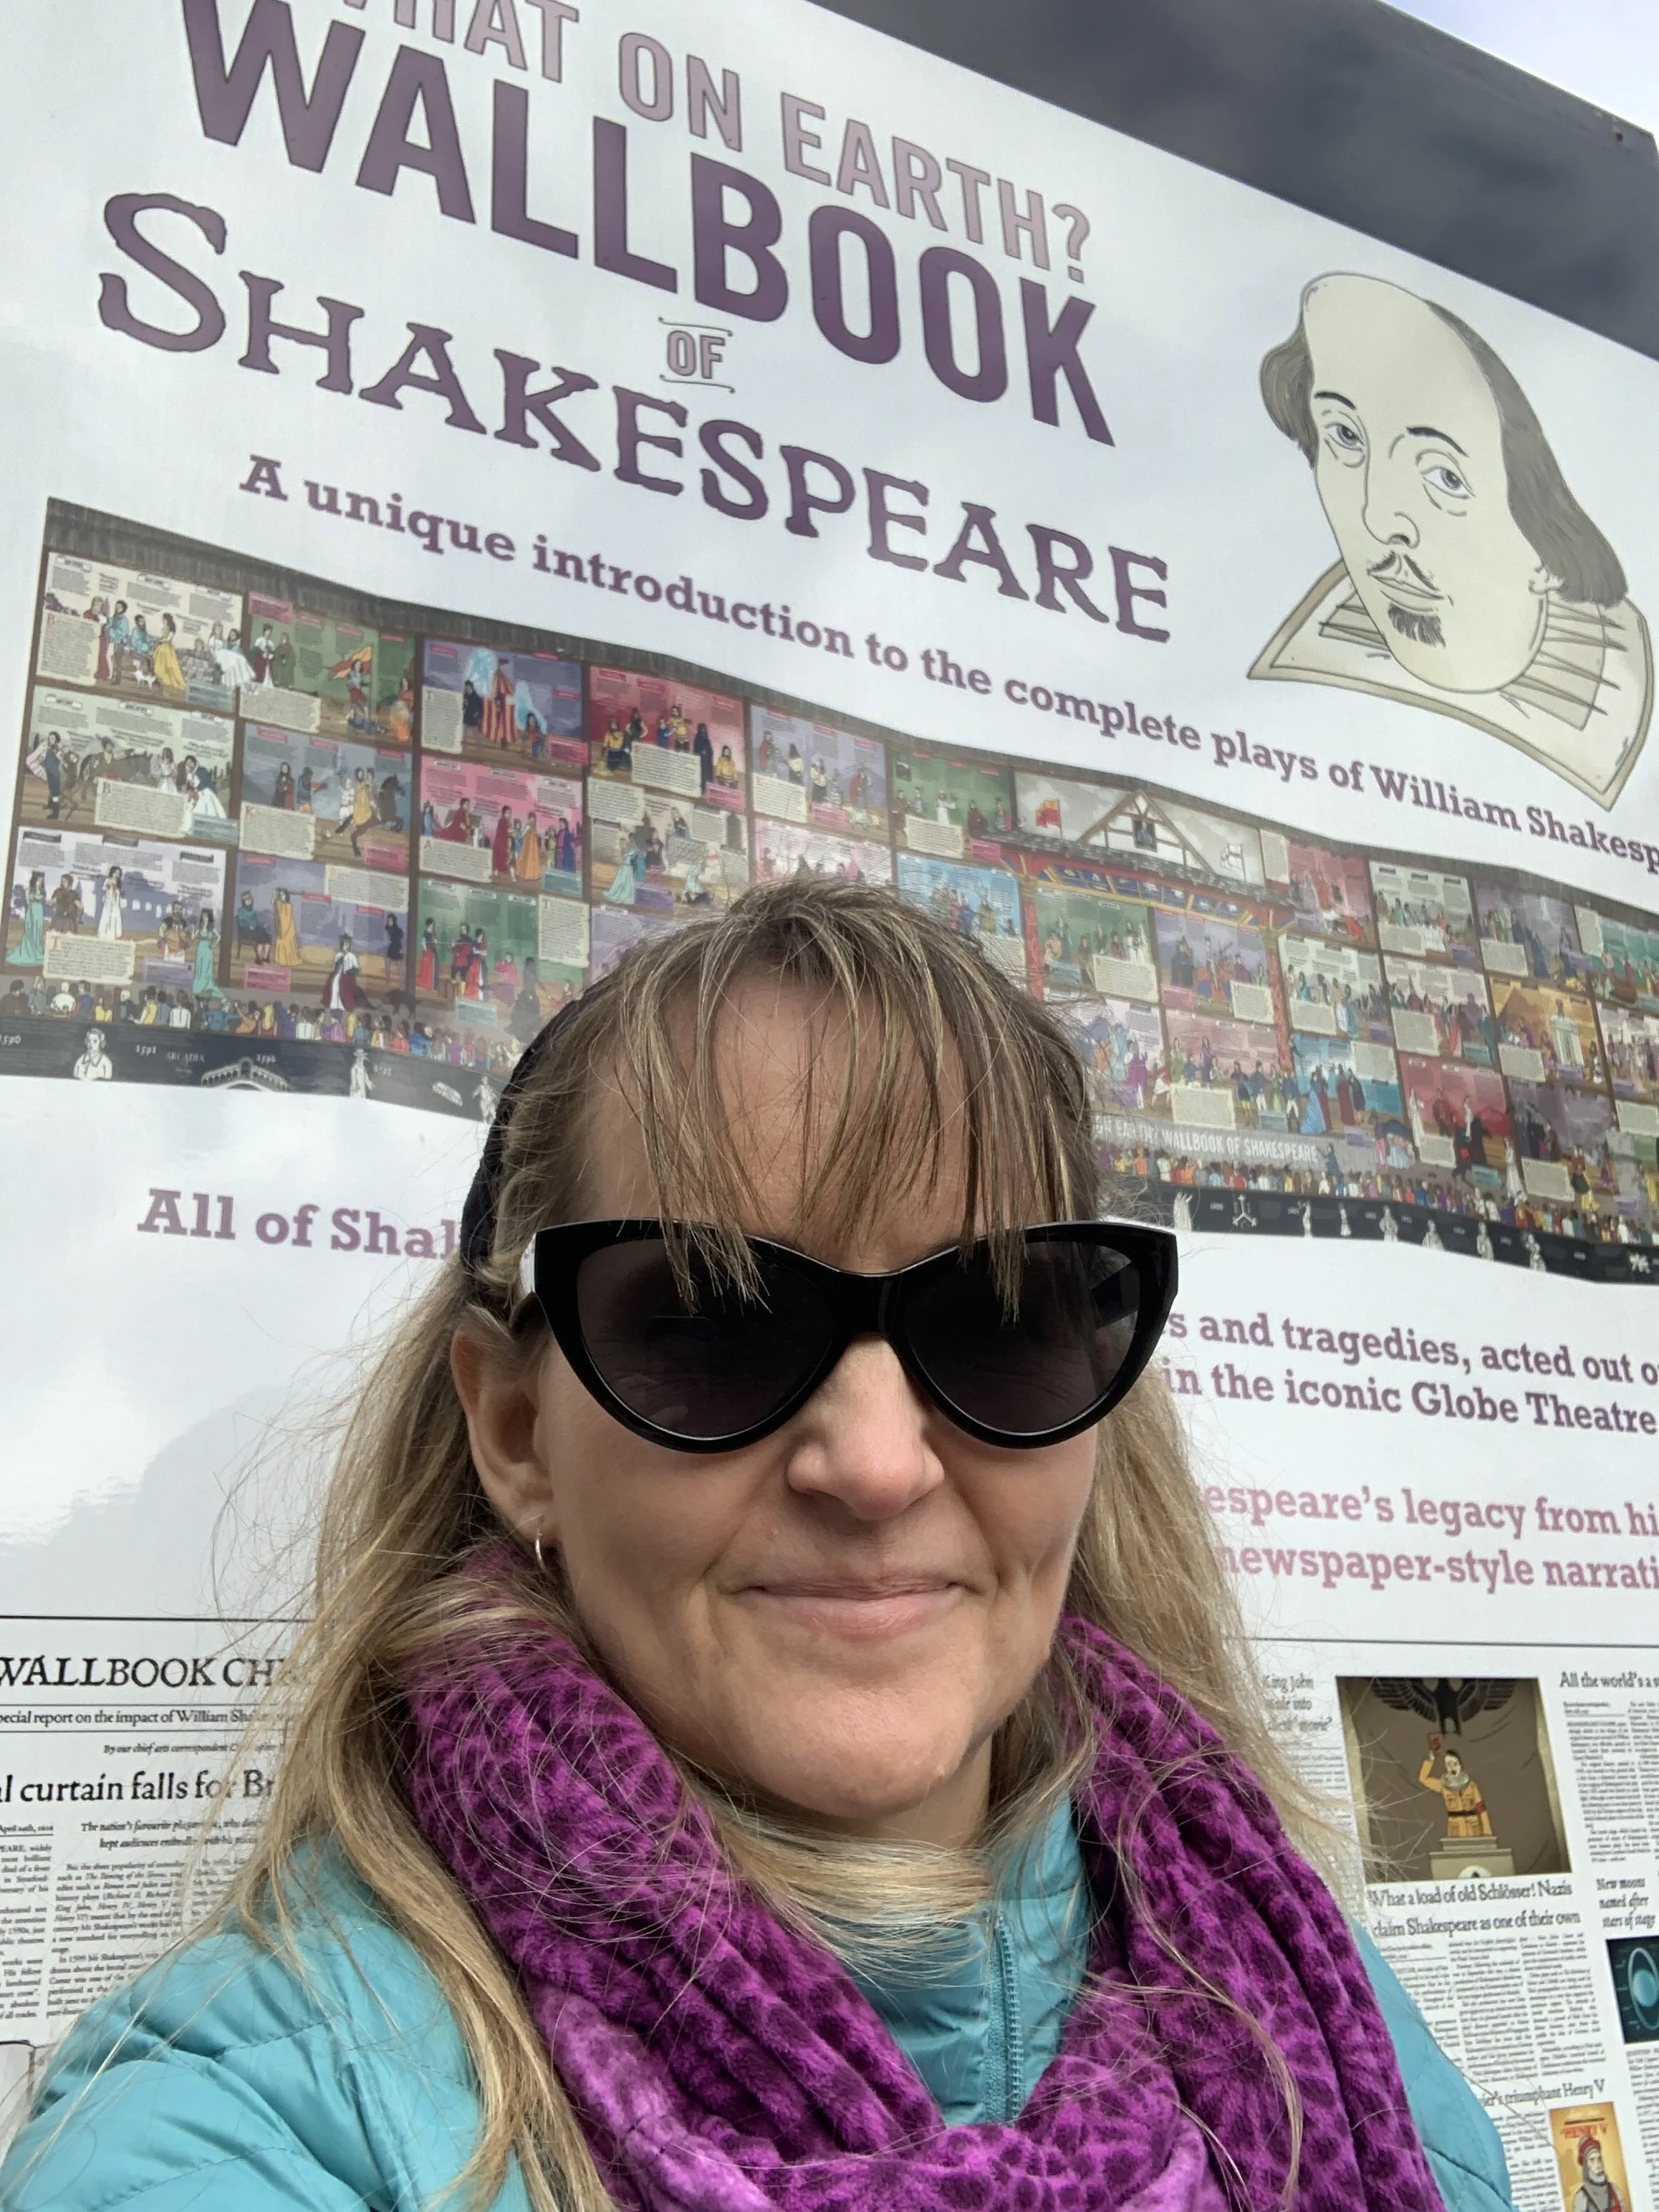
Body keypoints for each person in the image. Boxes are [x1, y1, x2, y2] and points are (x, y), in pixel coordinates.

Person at [1, 882, 1513, 2212]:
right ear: (519, 1433)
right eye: (717, 1323)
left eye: (994, 1318)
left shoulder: (1317, 2007)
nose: (874, 1460)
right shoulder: (253, 2120)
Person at [1254, 271, 1648, 807]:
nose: (1378, 518)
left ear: (1550, 548)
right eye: (1345, 436)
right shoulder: (1284, 686)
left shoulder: (1621, 732)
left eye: (1445, 476)